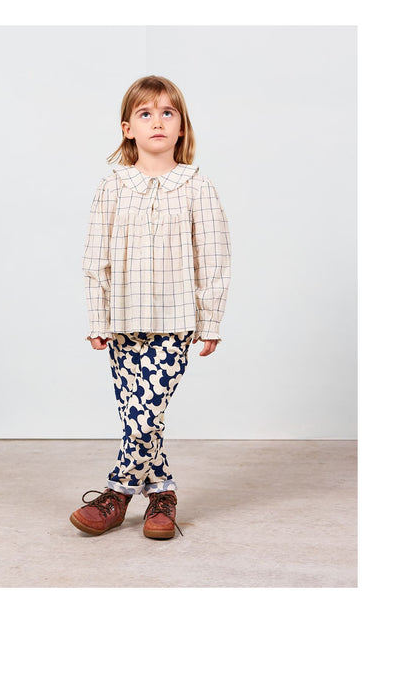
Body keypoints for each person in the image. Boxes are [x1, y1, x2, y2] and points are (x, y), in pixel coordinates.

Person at [70, 75, 232, 539]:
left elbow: (214, 258)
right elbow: (94, 260)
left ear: (181, 127)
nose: (157, 121)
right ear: (128, 128)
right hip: (123, 323)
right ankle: (162, 493)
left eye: (167, 113)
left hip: (175, 322)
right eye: (145, 113)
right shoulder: (112, 187)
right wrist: (97, 318)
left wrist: (211, 319)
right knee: (140, 418)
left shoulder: (197, 187)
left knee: (144, 416)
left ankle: (117, 493)